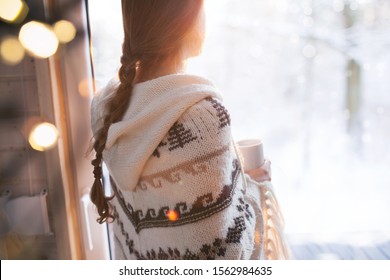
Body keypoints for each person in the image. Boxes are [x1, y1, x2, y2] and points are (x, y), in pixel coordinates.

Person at [90, 0, 288, 260]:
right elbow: (227, 257)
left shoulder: (108, 106)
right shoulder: (202, 119)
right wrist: (254, 186)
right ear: (181, 20)